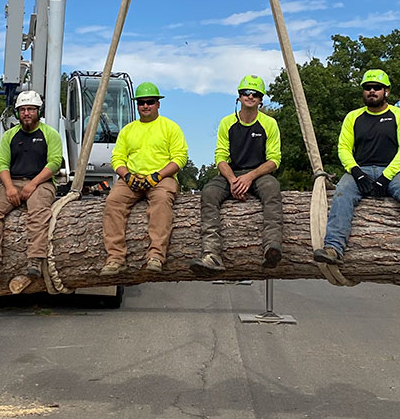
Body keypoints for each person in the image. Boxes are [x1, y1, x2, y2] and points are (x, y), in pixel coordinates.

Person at [313, 69, 400, 267]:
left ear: (386, 91)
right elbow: (343, 148)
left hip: (395, 171)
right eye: (367, 88)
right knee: (342, 192)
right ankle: (333, 248)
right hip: (360, 170)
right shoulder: (353, 117)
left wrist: (386, 177)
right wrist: (356, 172)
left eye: (377, 88)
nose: (372, 91)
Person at [191, 74, 283, 275]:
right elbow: (221, 157)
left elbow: (274, 160)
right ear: (239, 97)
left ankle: (272, 247)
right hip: (230, 174)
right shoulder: (227, 123)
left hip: (259, 173)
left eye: (255, 94)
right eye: (245, 93)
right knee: (209, 193)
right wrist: (233, 181)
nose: (250, 96)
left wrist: (249, 178)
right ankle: (211, 254)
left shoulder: (270, 124)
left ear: (261, 99)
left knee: (272, 189)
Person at [100, 81, 188, 276]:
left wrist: (158, 175)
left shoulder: (170, 128)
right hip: (131, 178)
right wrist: (127, 175)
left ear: (158, 104)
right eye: (141, 102)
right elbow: (117, 158)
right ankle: (115, 258)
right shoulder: (128, 130)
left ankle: (156, 255)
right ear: (137, 105)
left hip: (162, 178)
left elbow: (180, 158)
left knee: (162, 201)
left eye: (150, 101)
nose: (145, 106)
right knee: (113, 202)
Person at [0, 90, 63, 280]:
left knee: (38, 213)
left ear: (38, 111)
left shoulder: (50, 134)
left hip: (41, 182)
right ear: (17, 113)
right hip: (12, 181)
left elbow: (55, 163)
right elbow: (2, 164)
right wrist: (9, 188)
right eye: (23, 110)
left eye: (31, 109)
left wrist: (33, 184)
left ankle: (35, 260)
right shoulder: (10, 136)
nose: (27, 113)